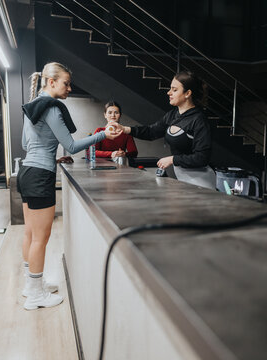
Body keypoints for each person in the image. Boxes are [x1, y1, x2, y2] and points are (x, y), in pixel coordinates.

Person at [17, 62, 121, 310]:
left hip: (26, 171)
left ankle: (31, 285)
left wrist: (51, 156)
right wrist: (104, 134)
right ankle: (35, 295)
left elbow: (25, 144)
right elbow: (72, 146)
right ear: (51, 82)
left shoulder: (32, 106)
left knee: (30, 234)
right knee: (41, 238)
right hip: (40, 175)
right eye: (66, 83)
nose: (69, 88)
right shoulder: (51, 108)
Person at [114, 71, 216, 189]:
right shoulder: (172, 115)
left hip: (202, 181)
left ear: (187, 93)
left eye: (174, 90)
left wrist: (173, 159)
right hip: (184, 178)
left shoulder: (199, 120)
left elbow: (201, 158)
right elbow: (152, 131)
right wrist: (125, 129)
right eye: (170, 89)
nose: (169, 93)